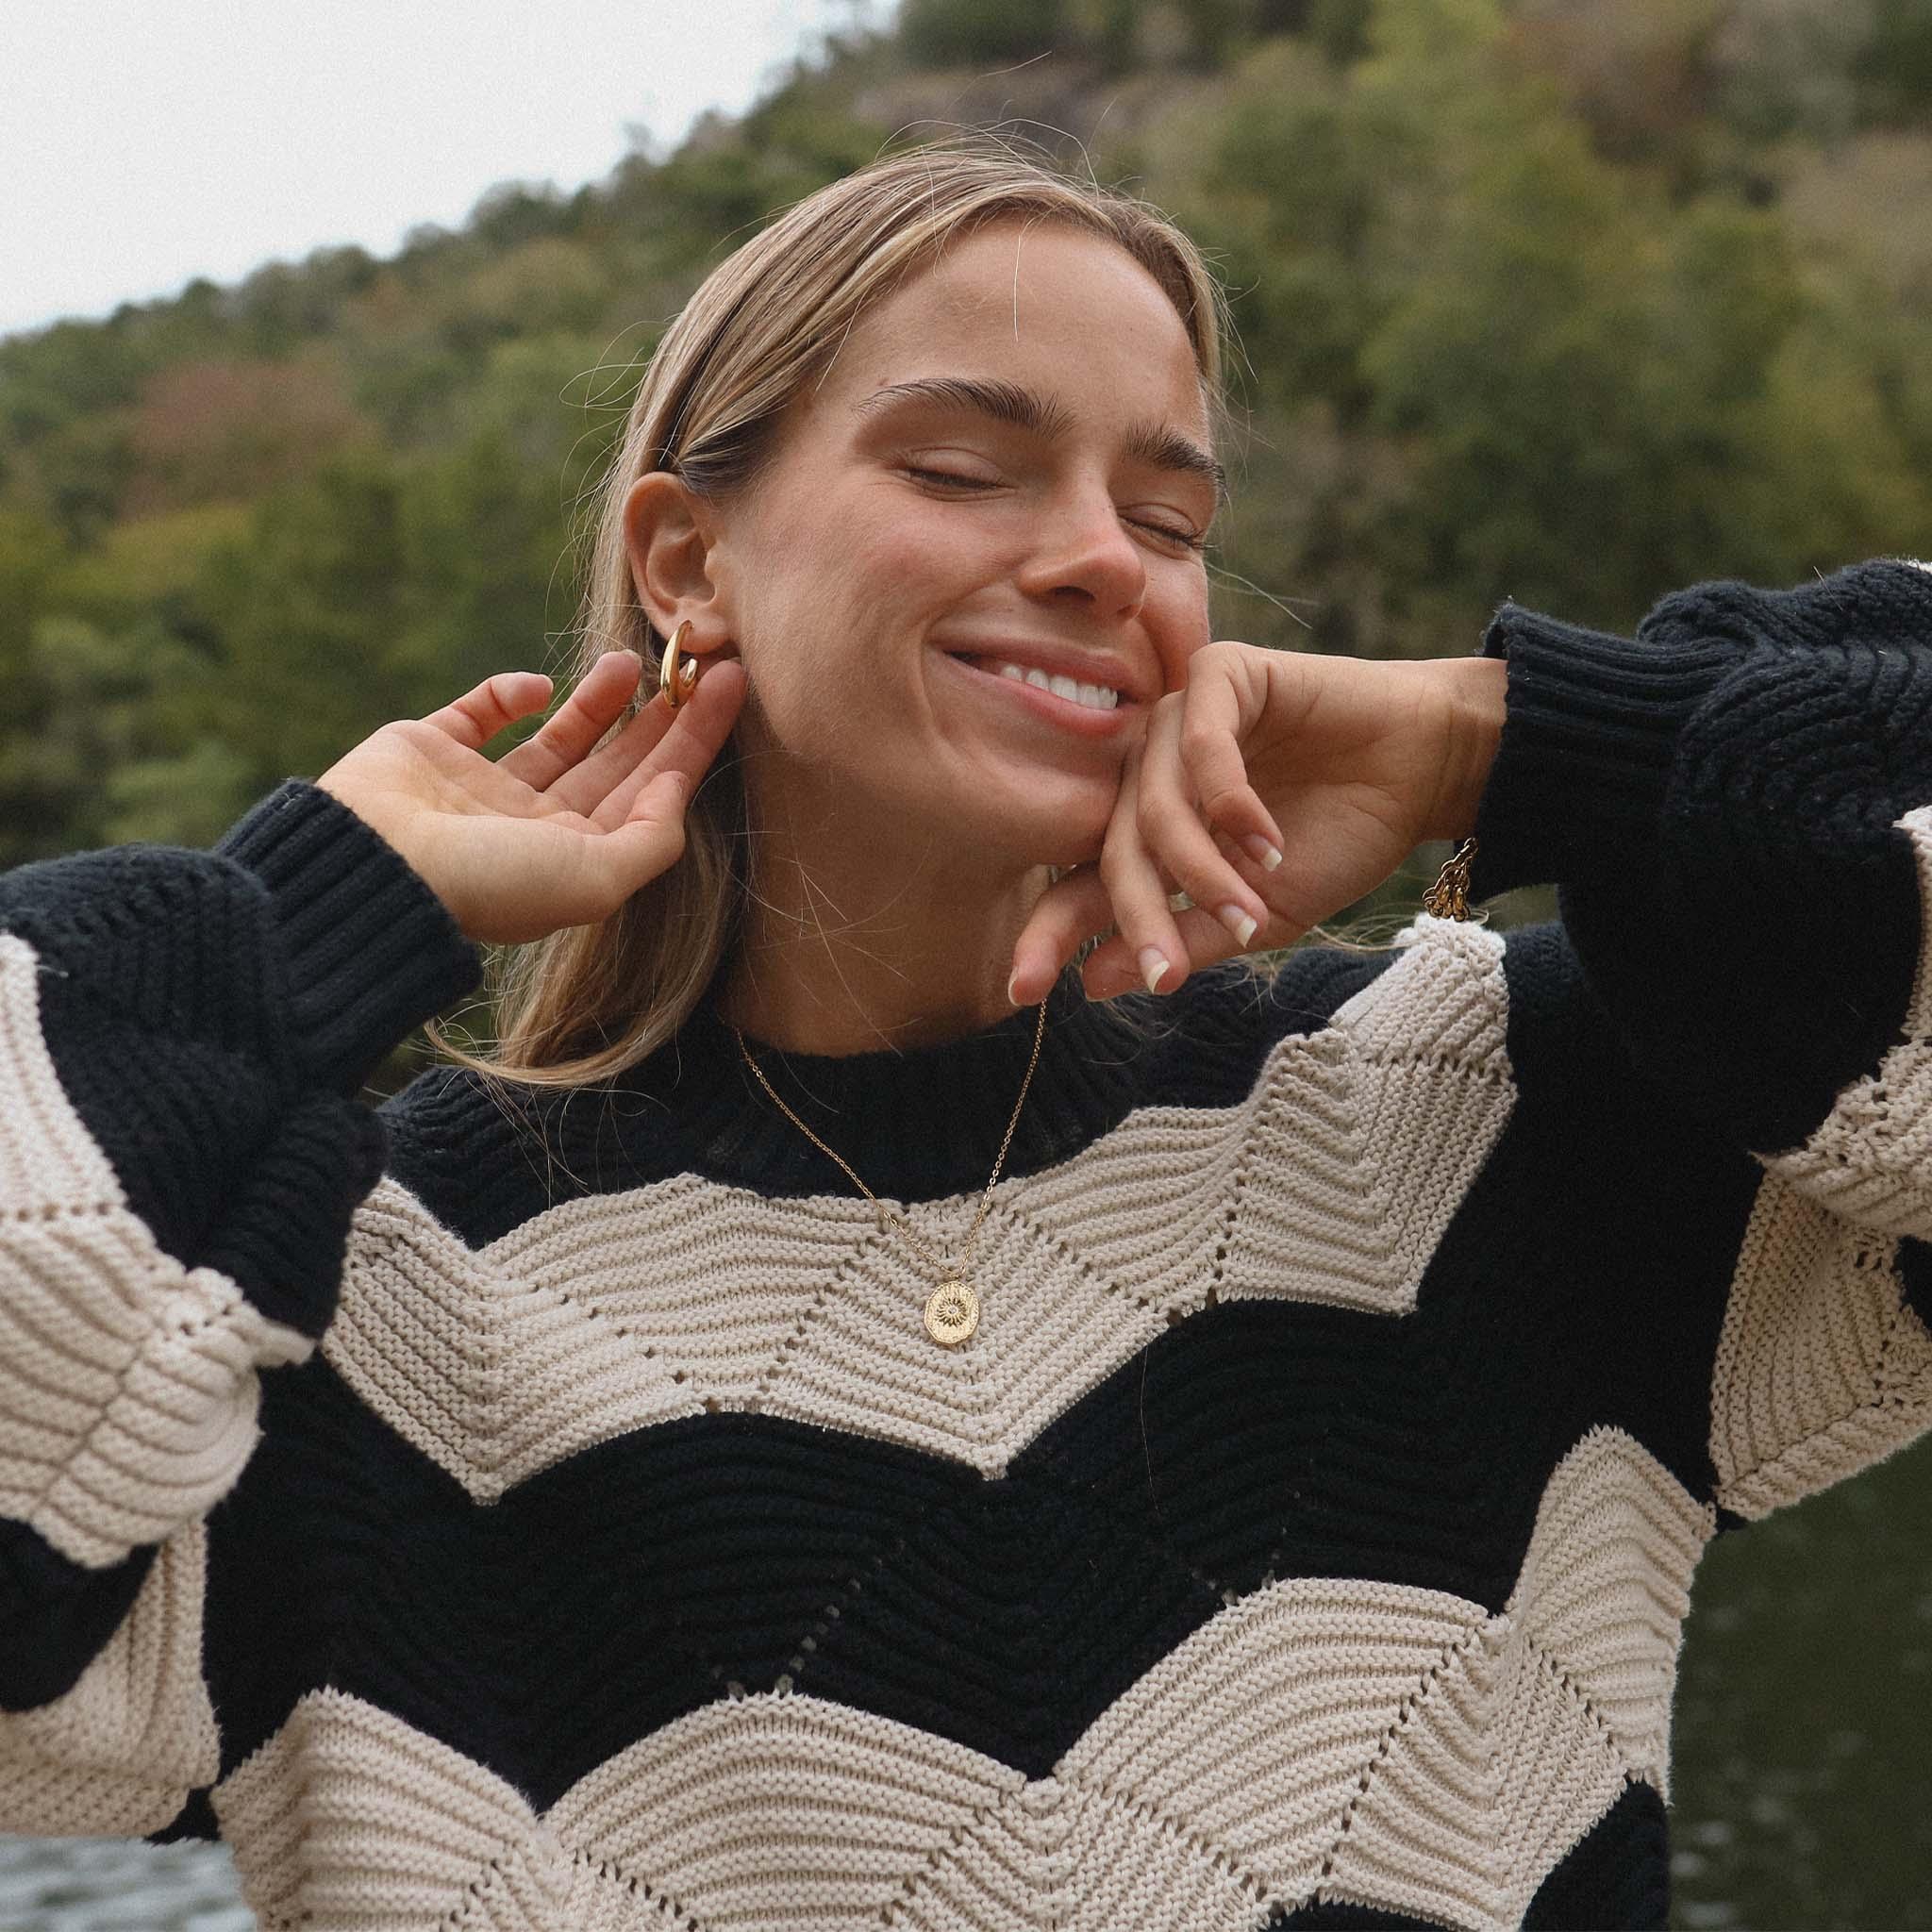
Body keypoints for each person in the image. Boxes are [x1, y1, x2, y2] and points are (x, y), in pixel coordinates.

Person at [1, 137, 1927, 1932]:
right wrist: (321, 910)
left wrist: (1515, 742)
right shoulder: (341, 1313)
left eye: (1165, 510)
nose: (1105, 555)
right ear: (689, 562)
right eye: (965, 466)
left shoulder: (1488, 1127)